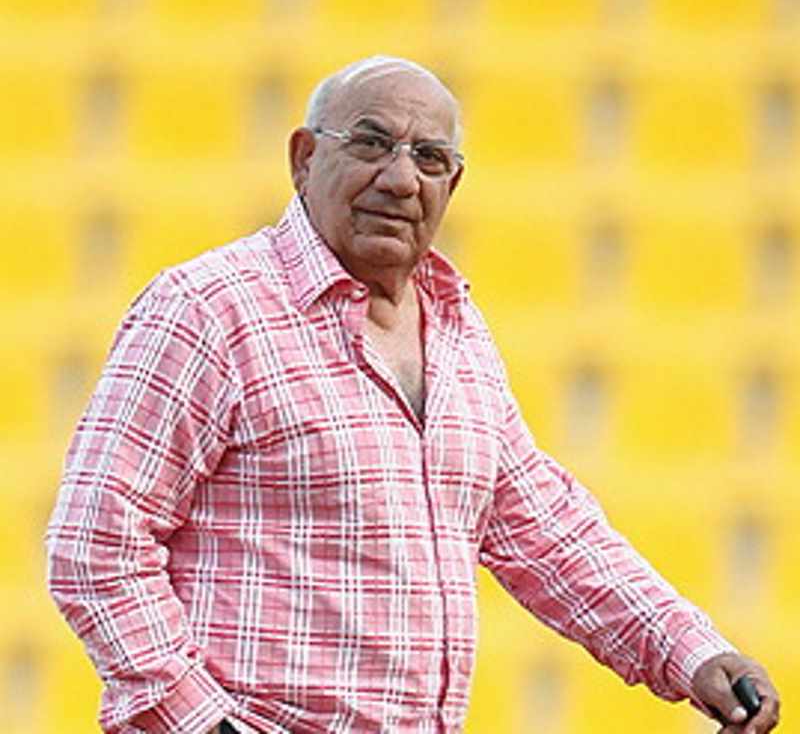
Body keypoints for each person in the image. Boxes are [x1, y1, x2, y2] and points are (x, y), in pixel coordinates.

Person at [46, 55, 780, 734]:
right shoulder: (209, 308)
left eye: (430, 158)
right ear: (304, 159)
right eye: (371, 144)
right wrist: (203, 724)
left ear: (450, 186)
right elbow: (95, 544)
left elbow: (545, 530)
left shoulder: (457, 328)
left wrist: (691, 653)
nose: (401, 180)